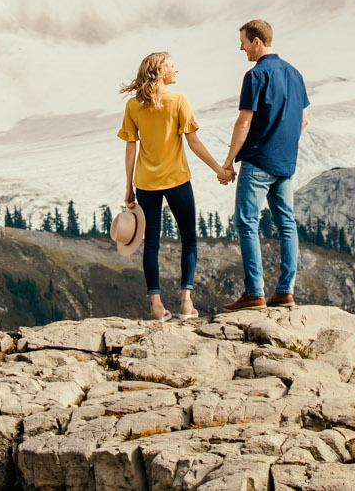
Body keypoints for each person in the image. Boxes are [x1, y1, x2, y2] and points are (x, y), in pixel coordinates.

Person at [118, 51, 228, 320]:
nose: (177, 70)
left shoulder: (134, 106)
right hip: (177, 179)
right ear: (161, 71)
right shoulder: (179, 100)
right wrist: (220, 170)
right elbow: (193, 143)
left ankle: (156, 306)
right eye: (172, 66)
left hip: (146, 183)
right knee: (188, 238)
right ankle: (186, 303)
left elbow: (131, 149)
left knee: (151, 244)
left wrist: (129, 186)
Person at [218, 18, 307, 311]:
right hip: (285, 163)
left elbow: (244, 121)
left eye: (244, 44)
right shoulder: (295, 74)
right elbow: (303, 120)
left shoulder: (255, 75)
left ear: (257, 41)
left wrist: (229, 161)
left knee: (246, 222)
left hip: (257, 161)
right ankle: (285, 292)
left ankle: (255, 292)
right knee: (286, 224)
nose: (242, 50)